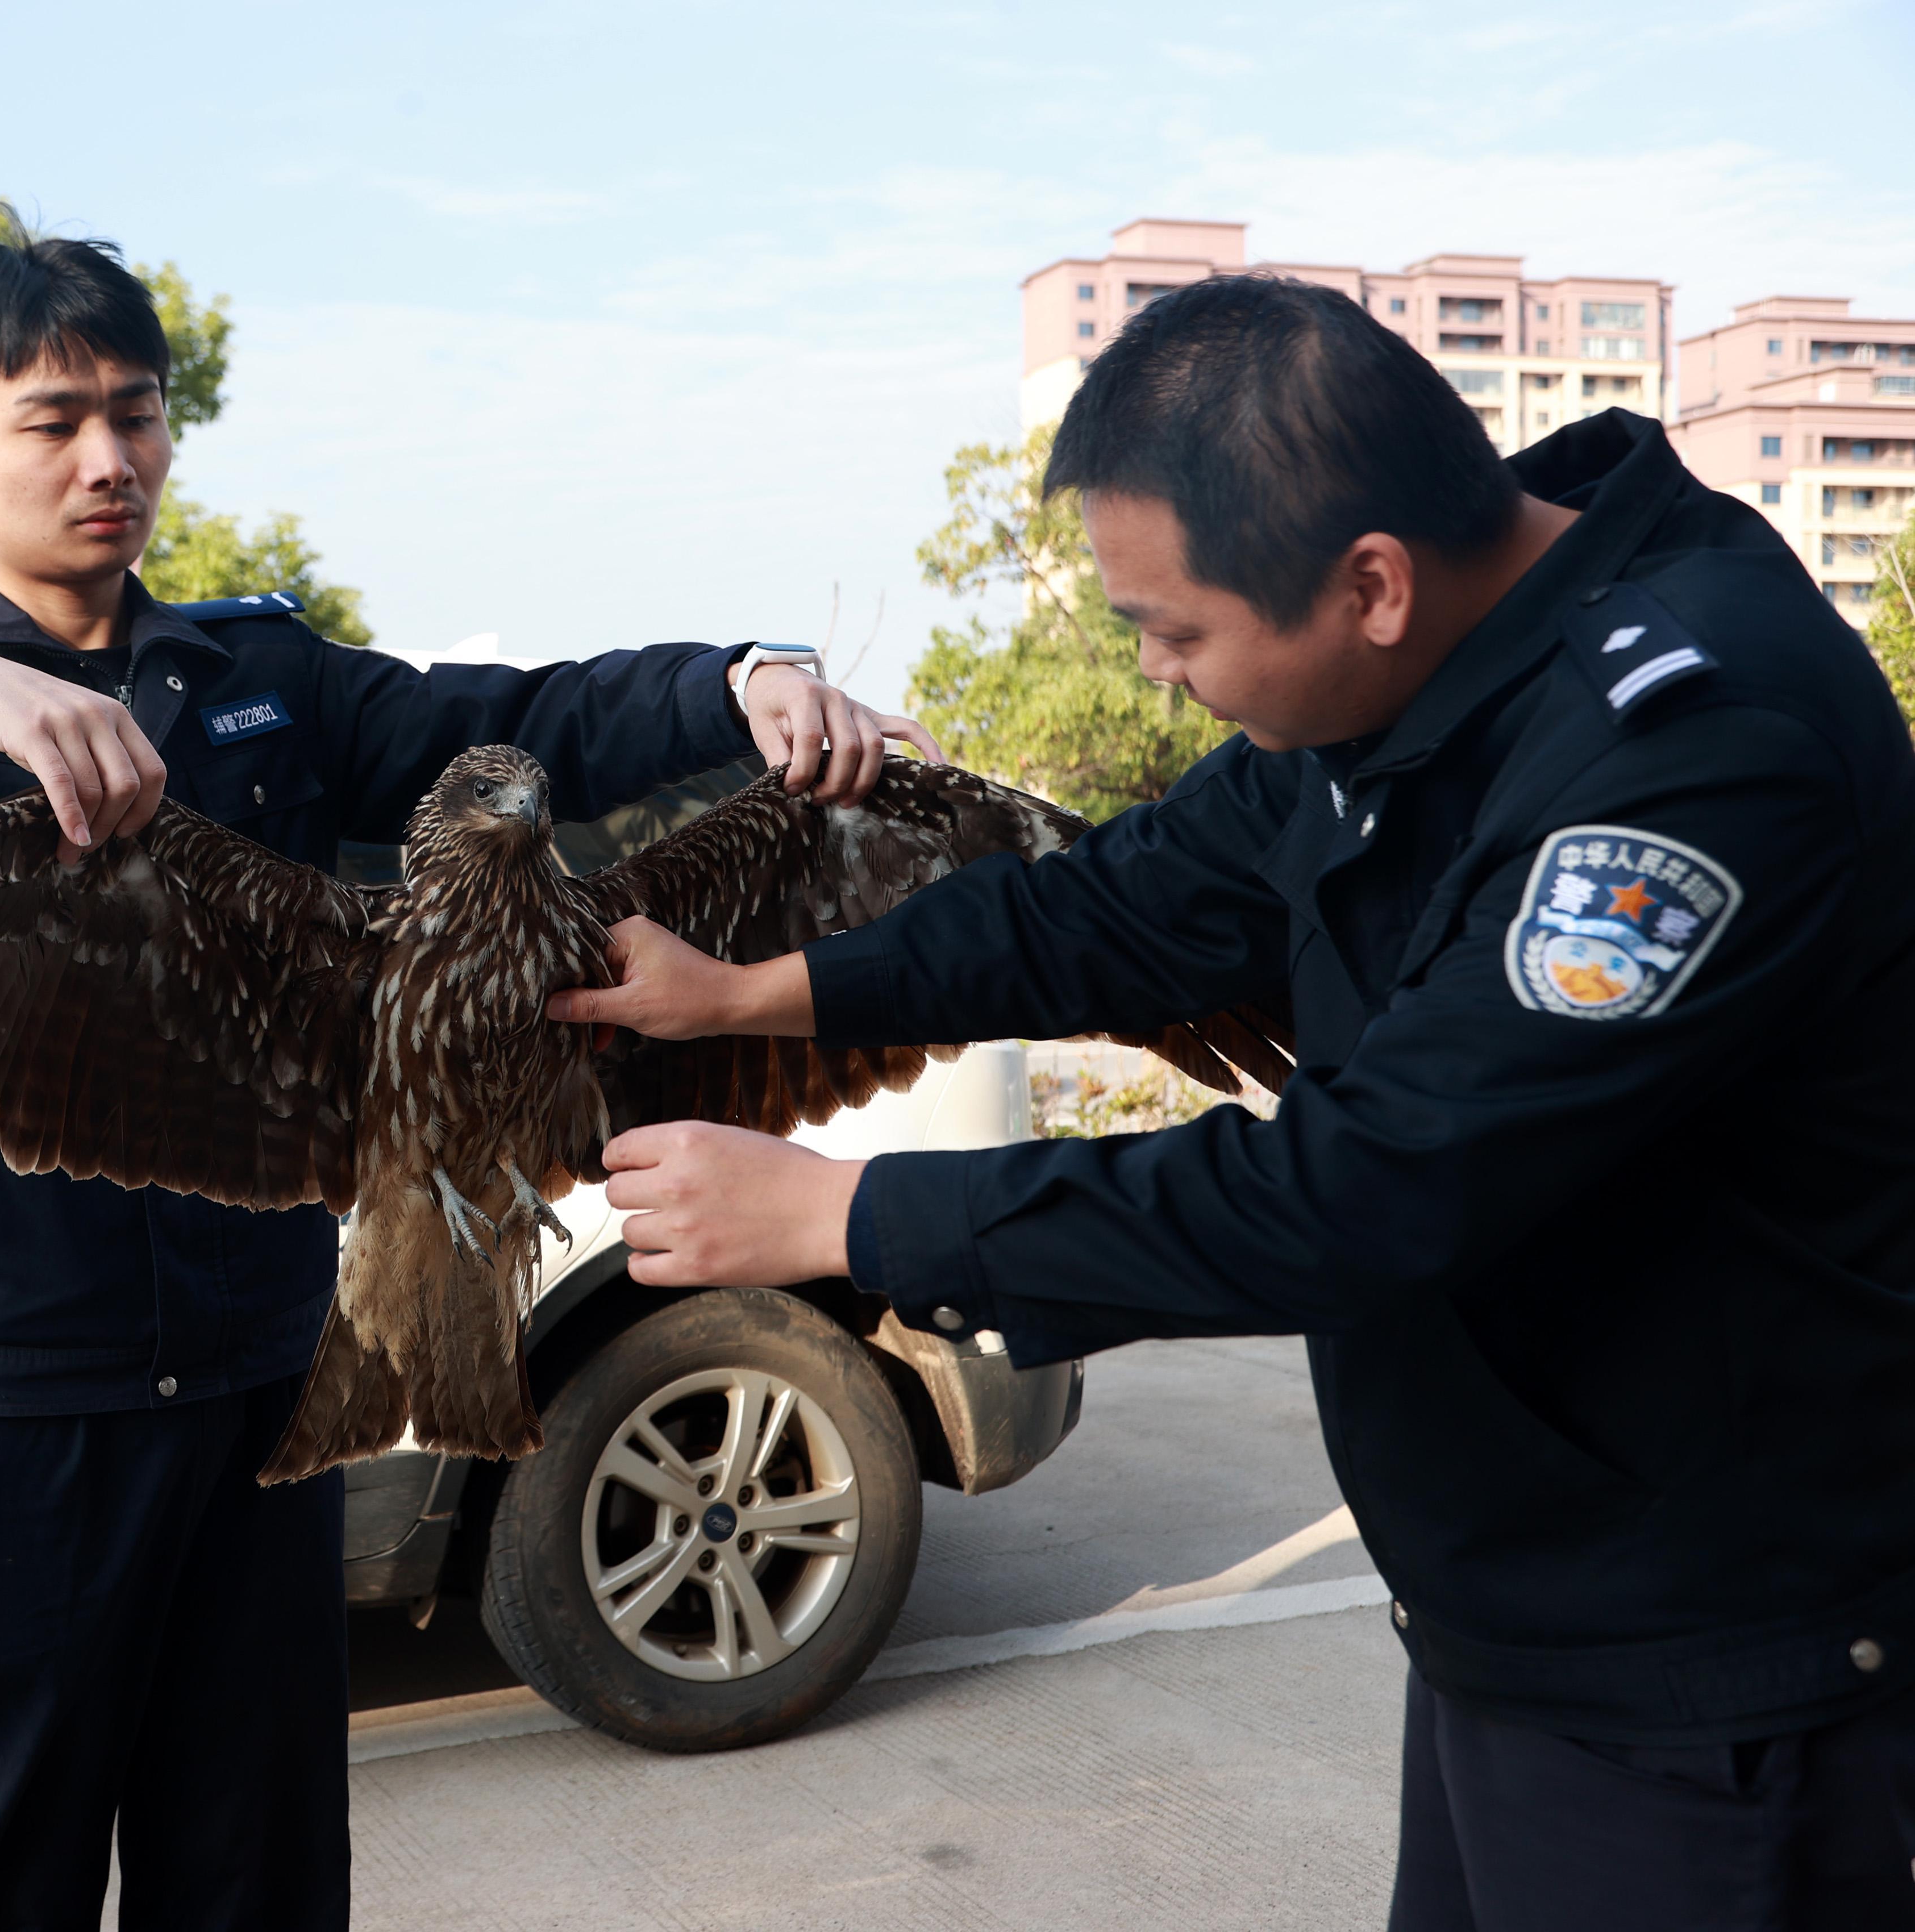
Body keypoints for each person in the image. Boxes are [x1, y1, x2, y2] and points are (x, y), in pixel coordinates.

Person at [550, 275, 1915, 1927]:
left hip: (1706, 1675)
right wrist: (751, 993)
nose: (1154, 673)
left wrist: (847, 1213)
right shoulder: (1430, 660)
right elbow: (1119, 905)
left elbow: (1369, 1186)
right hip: (1514, 1618)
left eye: (1177, 633)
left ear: (1370, 586)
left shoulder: (1691, 753)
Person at [0, 231, 935, 1932]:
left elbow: (523, 714)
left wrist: (737, 681)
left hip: (265, 1379)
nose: (107, 460)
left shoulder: (258, 680)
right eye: (53, 423)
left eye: (136, 415)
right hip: (30, 1403)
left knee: (257, 1873)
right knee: (14, 1875)